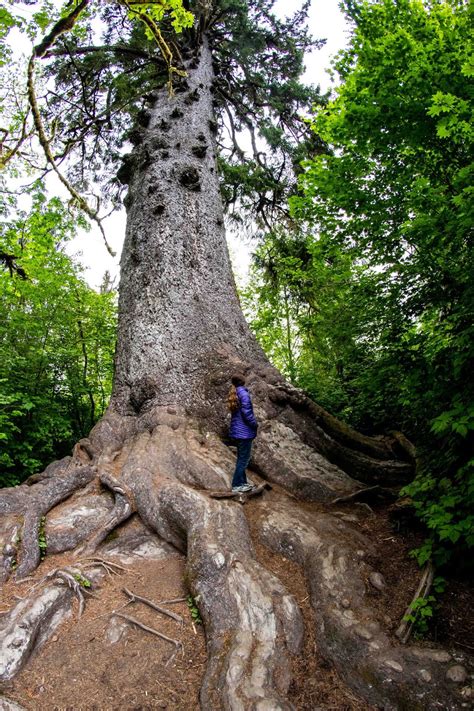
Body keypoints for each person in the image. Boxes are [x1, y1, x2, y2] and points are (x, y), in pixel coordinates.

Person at [228, 373, 258, 493]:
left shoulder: (235, 393)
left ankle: (243, 483)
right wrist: (255, 424)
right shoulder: (244, 394)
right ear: (243, 381)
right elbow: (247, 413)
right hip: (244, 432)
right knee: (244, 459)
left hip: (237, 431)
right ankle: (236, 485)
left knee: (242, 458)